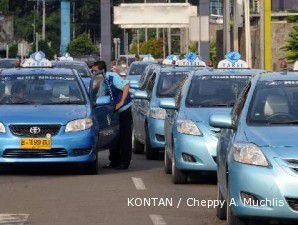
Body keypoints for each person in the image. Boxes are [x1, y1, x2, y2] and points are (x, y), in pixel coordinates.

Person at [92, 61, 133, 170]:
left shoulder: (111, 76)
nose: (93, 73)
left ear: (102, 71)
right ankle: (114, 161)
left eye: (95, 71)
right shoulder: (99, 81)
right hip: (112, 110)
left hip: (123, 109)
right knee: (114, 136)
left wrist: (121, 102)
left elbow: (126, 85)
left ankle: (124, 162)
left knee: (124, 136)